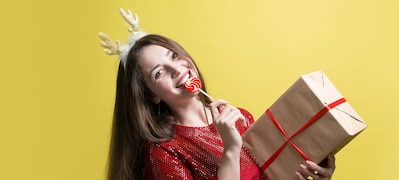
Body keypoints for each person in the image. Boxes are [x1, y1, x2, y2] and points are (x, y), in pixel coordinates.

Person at [99, 9, 336, 180]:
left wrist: (312, 176)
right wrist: (231, 149)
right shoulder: (161, 152)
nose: (176, 69)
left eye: (173, 56)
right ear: (151, 95)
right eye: (159, 72)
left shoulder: (241, 118)